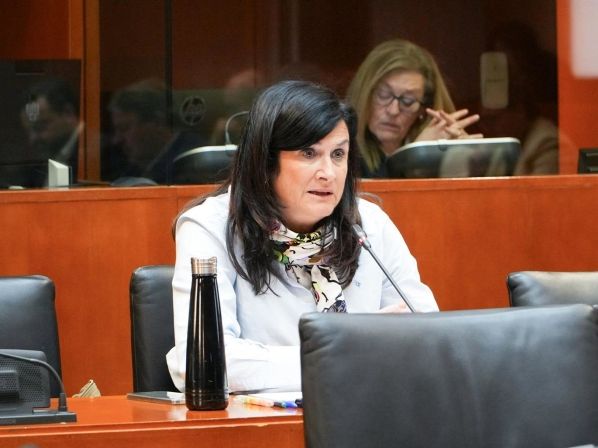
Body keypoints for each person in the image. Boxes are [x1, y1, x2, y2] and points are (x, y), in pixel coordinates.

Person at [166, 80, 438, 393]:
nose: (328, 173)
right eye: (309, 153)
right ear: (266, 161)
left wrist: (347, 356)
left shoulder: (368, 225)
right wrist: (345, 353)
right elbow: (203, 362)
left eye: (338, 154)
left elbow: (427, 338)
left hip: (366, 409)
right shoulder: (211, 228)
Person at [346, 39, 482, 177]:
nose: (393, 110)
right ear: (364, 93)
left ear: (424, 109)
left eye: (408, 101)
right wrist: (415, 156)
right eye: (384, 95)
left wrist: (465, 161)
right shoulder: (342, 149)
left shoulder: (438, 145)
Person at [106, 79, 206, 184]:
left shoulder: (192, 162)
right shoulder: (135, 166)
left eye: (124, 128)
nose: (116, 140)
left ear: (157, 121)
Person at [20, 77, 81, 184]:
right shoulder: (39, 164)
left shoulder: (101, 154)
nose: (33, 138)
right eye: (28, 131)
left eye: (40, 127)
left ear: (68, 113)